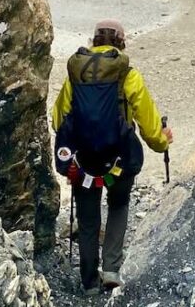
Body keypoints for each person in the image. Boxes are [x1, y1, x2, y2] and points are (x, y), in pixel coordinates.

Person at [51, 19, 173, 292]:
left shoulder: (76, 73)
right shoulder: (127, 75)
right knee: (119, 204)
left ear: (94, 40)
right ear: (121, 41)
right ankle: (111, 269)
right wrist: (162, 143)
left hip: (83, 160)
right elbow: (149, 122)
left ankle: (88, 280)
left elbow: (58, 118)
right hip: (120, 156)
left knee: (87, 215)